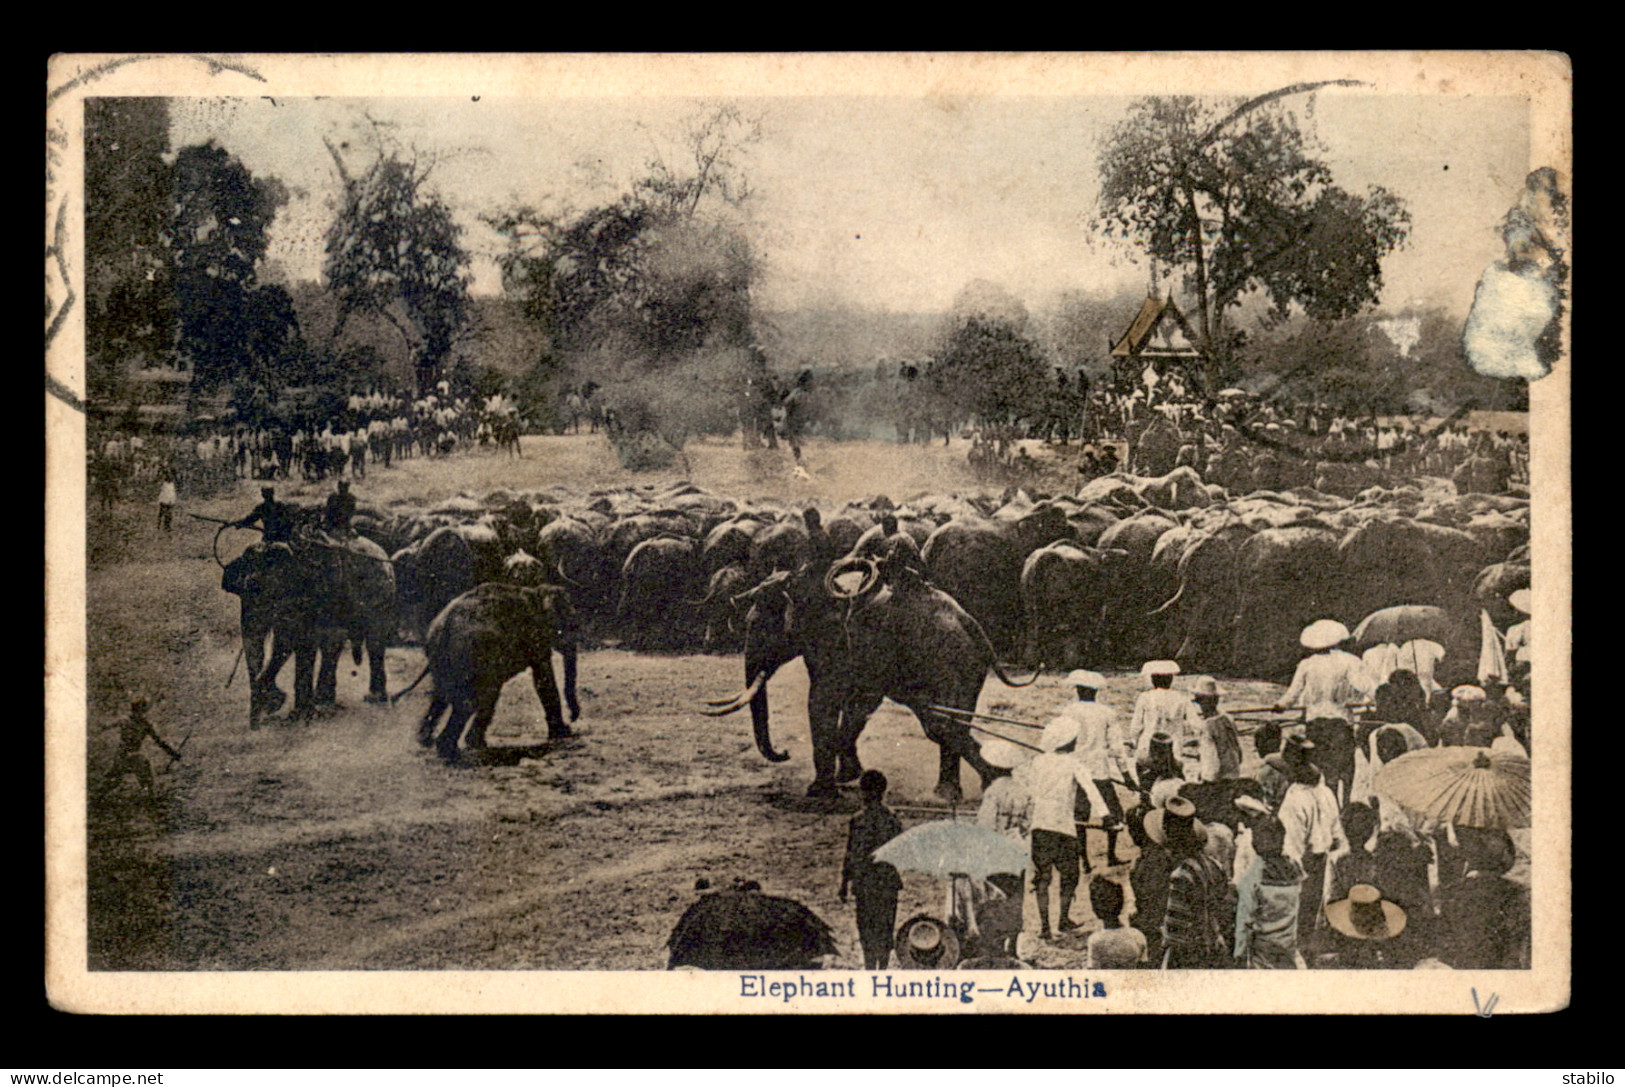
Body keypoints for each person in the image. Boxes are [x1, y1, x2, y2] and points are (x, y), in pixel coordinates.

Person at [1059, 669, 1135, 871]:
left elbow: (1062, 741)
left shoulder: (1069, 712)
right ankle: (1111, 855)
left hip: (1077, 770)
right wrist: (1127, 775)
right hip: (1100, 771)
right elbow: (1117, 748)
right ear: (1095, 692)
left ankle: (1084, 860)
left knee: (1079, 816)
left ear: (1078, 690)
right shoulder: (1107, 713)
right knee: (1114, 815)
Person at [1278, 759, 1350, 948]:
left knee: (1301, 910)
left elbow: (1292, 844)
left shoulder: (1295, 799)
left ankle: (1301, 945)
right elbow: (1337, 832)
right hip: (1322, 857)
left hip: (1304, 861)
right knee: (1313, 909)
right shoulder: (1325, 793)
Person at [1155, 797, 1233, 969]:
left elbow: (1174, 929)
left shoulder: (1181, 875)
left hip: (1191, 950)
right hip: (1213, 938)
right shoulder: (1212, 864)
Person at [838, 769, 905, 970]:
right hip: (887, 882)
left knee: (866, 928)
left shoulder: (858, 819)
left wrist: (844, 883)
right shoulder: (892, 818)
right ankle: (881, 969)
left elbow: (850, 854)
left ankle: (869, 968)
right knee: (885, 928)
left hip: (864, 881)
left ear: (864, 792)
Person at [1029, 717, 1084, 940]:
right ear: (1069, 742)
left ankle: (1044, 927)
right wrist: (1106, 816)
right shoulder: (1074, 763)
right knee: (1070, 875)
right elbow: (1090, 790)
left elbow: (1031, 791)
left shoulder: (1038, 761)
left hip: (1040, 826)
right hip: (1064, 827)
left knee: (1042, 878)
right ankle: (1062, 918)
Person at [1233, 817, 1307, 969]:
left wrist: (1238, 956)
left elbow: (1244, 923)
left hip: (1263, 956)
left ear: (1256, 843)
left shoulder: (1252, 877)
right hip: (1289, 950)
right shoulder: (1294, 869)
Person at [1275, 620, 1375, 723]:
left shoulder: (1307, 664)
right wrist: (1376, 699)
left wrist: (1280, 705)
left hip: (1314, 718)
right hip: (1340, 718)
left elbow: (1293, 692)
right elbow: (1363, 686)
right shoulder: (1350, 661)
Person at [98, 697, 180, 805]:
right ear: (136, 710)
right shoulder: (129, 721)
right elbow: (107, 726)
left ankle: (151, 801)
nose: (141, 714)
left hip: (129, 755)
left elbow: (159, 741)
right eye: (140, 711)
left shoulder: (143, 724)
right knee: (115, 780)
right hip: (124, 754)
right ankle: (96, 798)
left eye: (142, 711)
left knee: (145, 778)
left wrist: (172, 753)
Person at [1131, 660, 1193, 763]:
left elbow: (1136, 726)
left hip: (1148, 747)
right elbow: (1194, 724)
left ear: (1153, 680)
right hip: (1173, 748)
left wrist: (1134, 741)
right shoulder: (1182, 698)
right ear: (1171, 679)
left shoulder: (1145, 697)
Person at [1084, 877, 1148, 968]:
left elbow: (1093, 974)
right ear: (1121, 904)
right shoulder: (1138, 936)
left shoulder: (1095, 941)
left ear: (1095, 910)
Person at [1190, 676, 1242, 781]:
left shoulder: (1208, 726)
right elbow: (1238, 752)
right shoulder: (1228, 719)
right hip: (1234, 775)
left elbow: (1211, 765)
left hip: (1219, 781)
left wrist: (1205, 779)